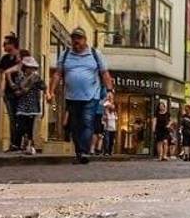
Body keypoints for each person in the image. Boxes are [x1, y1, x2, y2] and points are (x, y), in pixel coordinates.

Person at [49, 27, 114, 164]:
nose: (76, 41)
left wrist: (109, 91)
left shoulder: (95, 54)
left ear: (85, 40)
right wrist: (51, 91)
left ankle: (84, 151)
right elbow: (58, 73)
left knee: (87, 122)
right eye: (74, 38)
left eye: (79, 38)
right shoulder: (65, 54)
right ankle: (79, 152)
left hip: (91, 95)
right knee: (74, 126)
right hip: (71, 96)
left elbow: (104, 73)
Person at [9, 55, 45, 155]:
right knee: (20, 126)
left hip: (32, 107)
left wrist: (39, 82)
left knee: (30, 127)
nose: (31, 70)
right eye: (29, 67)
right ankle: (17, 145)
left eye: (33, 68)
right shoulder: (20, 77)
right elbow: (18, 88)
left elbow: (43, 87)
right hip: (22, 106)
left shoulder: (36, 78)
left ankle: (29, 145)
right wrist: (27, 83)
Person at [0, 34, 21, 151]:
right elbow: (0, 73)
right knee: (12, 118)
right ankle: (14, 143)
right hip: (9, 93)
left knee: (21, 118)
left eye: (5, 44)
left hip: (21, 92)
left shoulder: (21, 57)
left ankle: (22, 143)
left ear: (12, 44)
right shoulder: (4, 59)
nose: (3, 46)